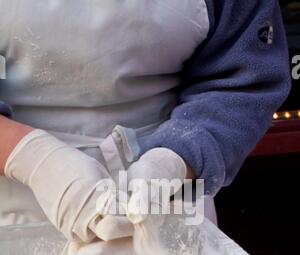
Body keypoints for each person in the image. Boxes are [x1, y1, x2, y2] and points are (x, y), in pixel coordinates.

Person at [0, 0, 291, 242]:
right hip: (15, 206)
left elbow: (239, 81)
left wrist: (174, 160)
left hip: (171, 199)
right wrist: (36, 160)